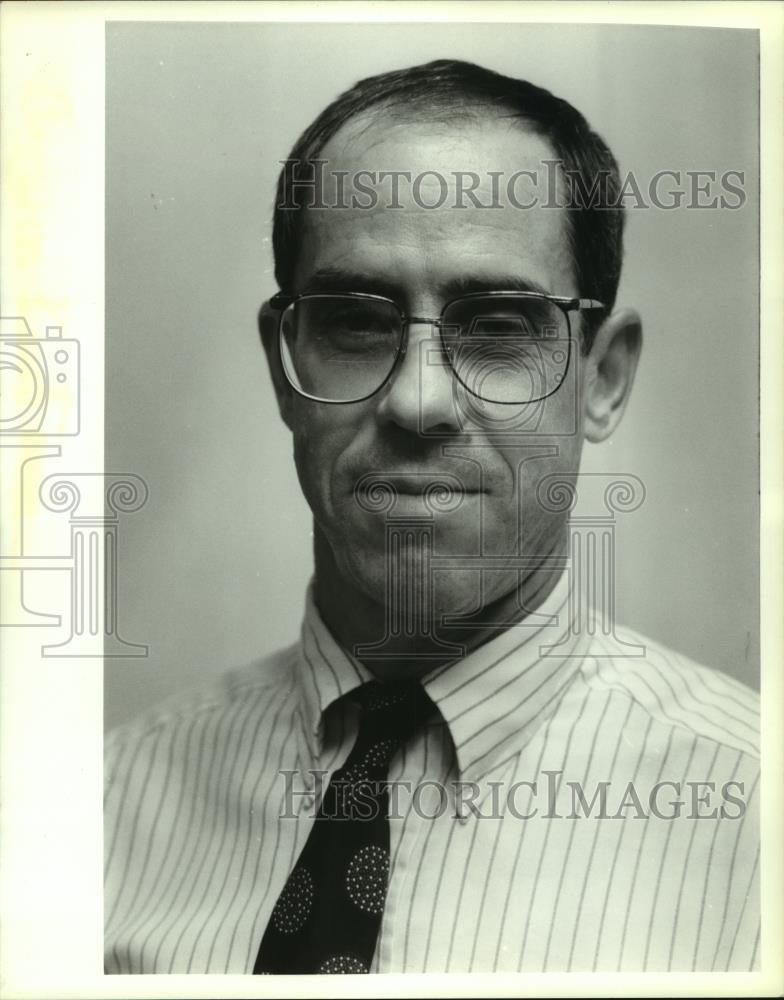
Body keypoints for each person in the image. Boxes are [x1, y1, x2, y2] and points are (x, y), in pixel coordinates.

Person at [104, 59, 759, 975]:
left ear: (603, 379)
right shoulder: (93, 812)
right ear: (283, 364)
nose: (418, 401)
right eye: (355, 322)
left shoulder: (754, 829)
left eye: (497, 326)